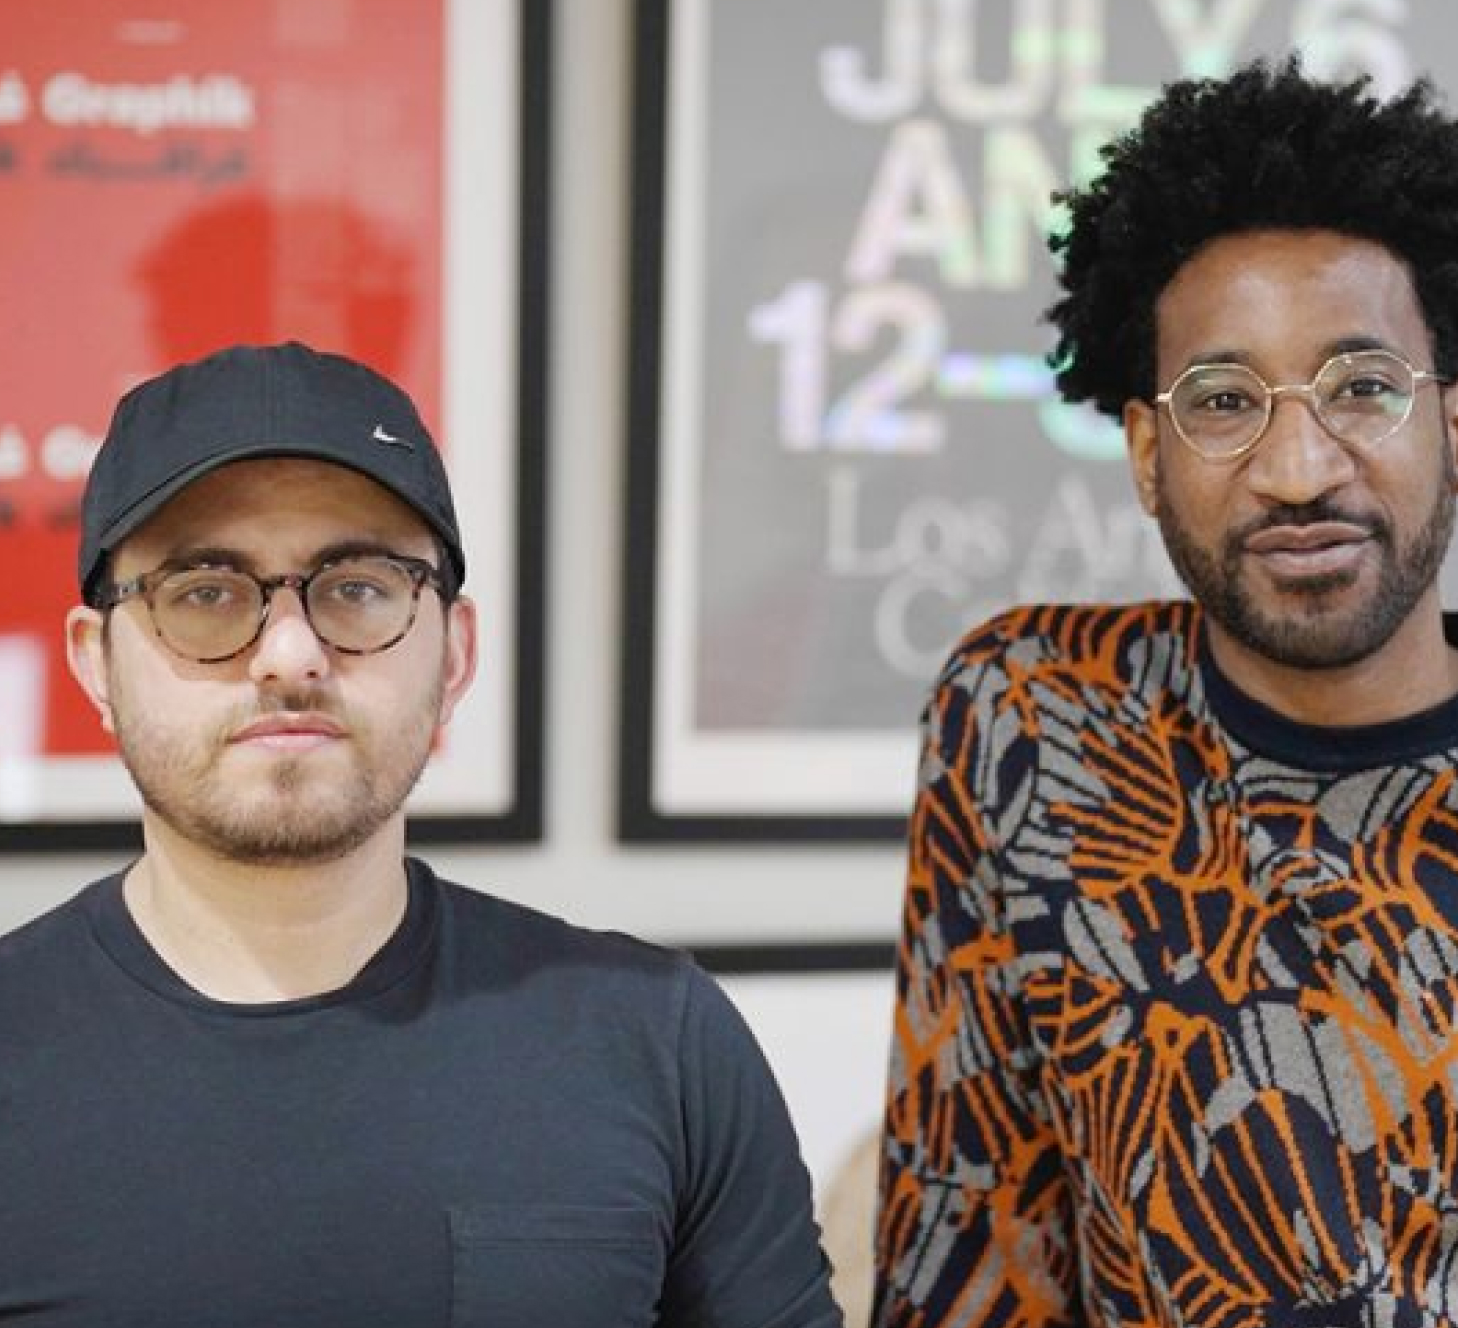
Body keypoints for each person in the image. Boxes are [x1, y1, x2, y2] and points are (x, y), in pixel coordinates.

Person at [0, 342, 843, 1328]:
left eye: (357, 586)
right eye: (204, 592)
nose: (289, 654)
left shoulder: (657, 1038)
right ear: (97, 663)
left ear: (454, 652)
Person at [872, 58, 1458, 1328]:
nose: (1294, 467)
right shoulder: (1031, 717)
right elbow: (969, 1227)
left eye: (1360, 388)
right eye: (1221, 400)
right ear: (1142, 452)